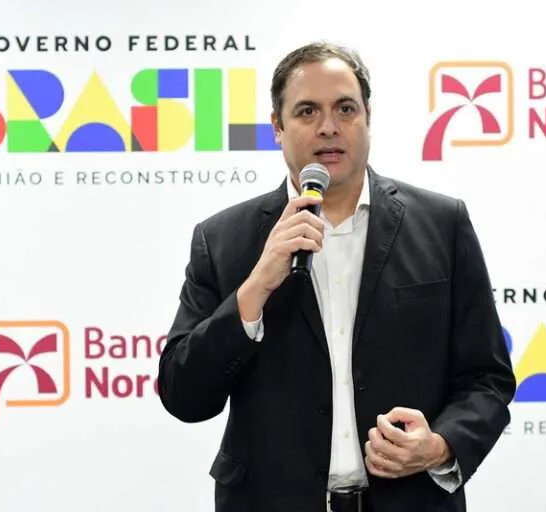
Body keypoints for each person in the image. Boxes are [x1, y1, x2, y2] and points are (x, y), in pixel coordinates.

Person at [158, 41, 516, 512]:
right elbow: (184, 396)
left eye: (346, 108)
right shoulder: (224, 240)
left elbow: (487, 377)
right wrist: (254, 289)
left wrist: (440, 445)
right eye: (307, 111)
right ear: (277, 127)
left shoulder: (441, 224)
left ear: (368, 117)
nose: (329, 126)